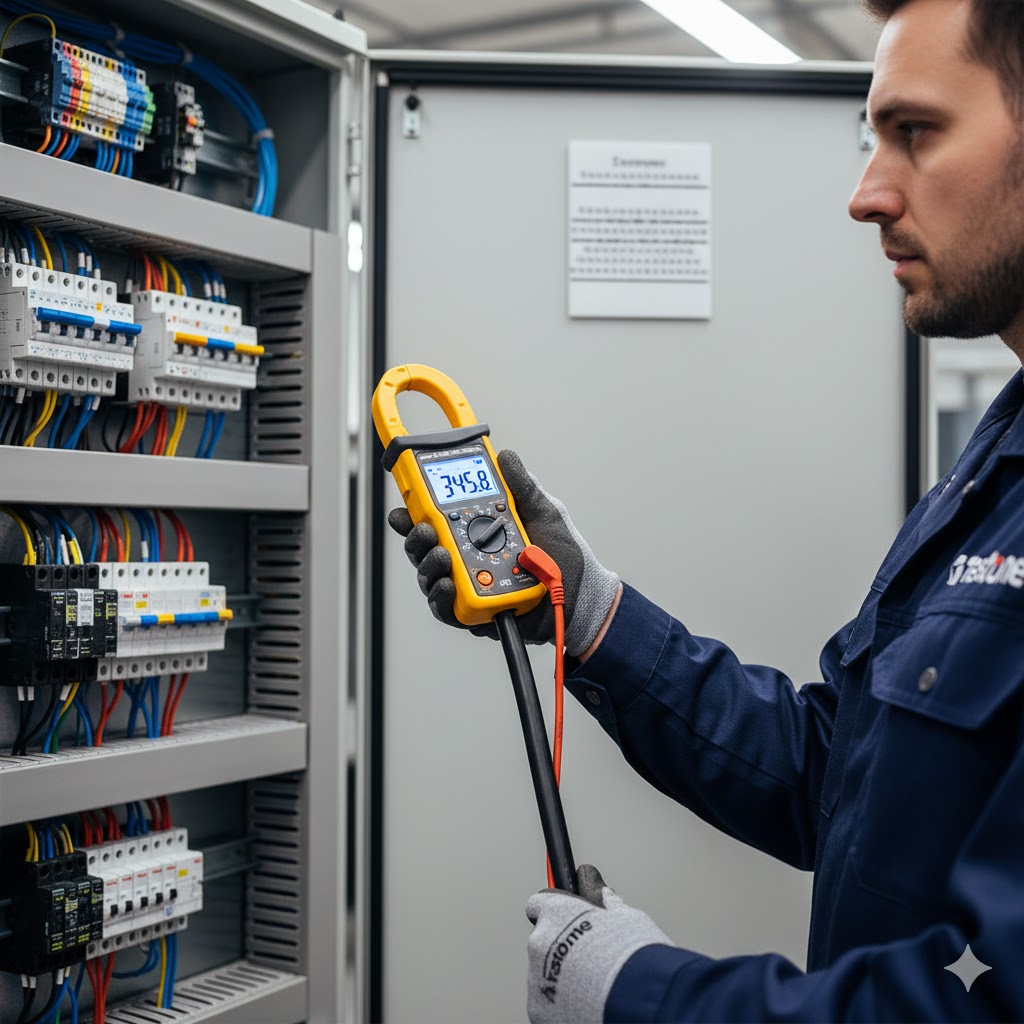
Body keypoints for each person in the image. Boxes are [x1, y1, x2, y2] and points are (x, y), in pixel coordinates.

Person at [389, 0, 1024, 1018]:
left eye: (916, 132)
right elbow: (845, 782)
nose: (867, 194)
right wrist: (592, 613)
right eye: (874, 139)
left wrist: (640, 988)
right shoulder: (997, 460)